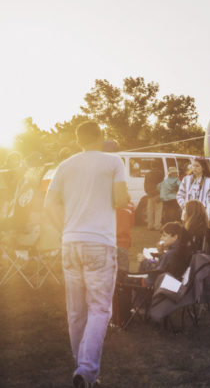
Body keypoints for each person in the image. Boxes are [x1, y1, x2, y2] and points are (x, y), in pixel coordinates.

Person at [44, 121, 129, 388]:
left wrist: (64, 228)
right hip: (99, 242)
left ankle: (82, 367)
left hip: (70, 241)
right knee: (99, 309)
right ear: (101, 136)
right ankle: (86, 369)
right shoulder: (113, 162)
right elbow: (120, 200)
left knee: (76, 311)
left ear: (78, 139)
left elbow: (48, 204)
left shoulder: (65, 165)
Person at [143, 164, 165, 230]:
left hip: (150, 195)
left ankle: (150, 225)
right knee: (158, 210)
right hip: (158, 194)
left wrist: (148, 192)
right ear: (157, 167)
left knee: (150, 211)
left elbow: (145, 184)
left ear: (151, 166)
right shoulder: (160, 174)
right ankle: (157, 226)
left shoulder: (148, 174)